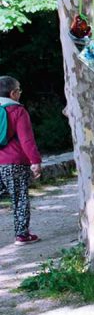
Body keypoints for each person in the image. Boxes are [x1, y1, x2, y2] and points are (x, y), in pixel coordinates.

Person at [0, 76, 42, 244]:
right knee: (20, 198)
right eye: (19, 91)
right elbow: (26, 140)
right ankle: (22, 234)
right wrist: (35, 161)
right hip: (15, 163)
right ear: (13, 93)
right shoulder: (17, 111)